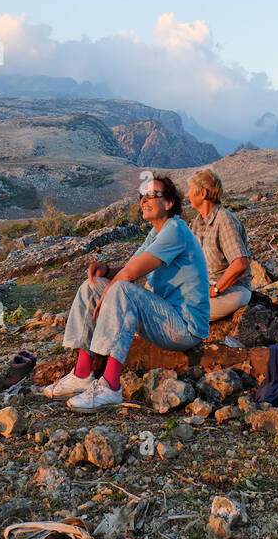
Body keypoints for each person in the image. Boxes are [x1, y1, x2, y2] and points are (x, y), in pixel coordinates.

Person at [42, 173, 210, 411]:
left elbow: (130, 276)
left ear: (169, 203)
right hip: (163, 318)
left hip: (185, 327)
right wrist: (108, 271)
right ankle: (82, 373)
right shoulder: (157, 233)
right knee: (92, 285)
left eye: (153, 195)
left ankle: (111, 385)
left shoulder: (175, 231)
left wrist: (111, 291)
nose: (144, 200)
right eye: (142, 196)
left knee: (121, 289)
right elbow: (129, 267)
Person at [187, 168, 253, 320]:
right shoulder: (198, 222)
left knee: (188, 314)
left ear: (203, 193)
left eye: (190, 190)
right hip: (205, 284)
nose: (187, 195)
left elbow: (240, 263)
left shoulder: (224, 220)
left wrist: (215, 289)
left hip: (232, 289)